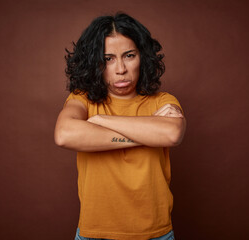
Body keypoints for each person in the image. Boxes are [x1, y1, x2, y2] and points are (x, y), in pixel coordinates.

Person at [54, 13, 186, 240]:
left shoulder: (163, 101)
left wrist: (102, 120)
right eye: (108, 58)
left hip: (155, 234)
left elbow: (172, 134)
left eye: (129, 55)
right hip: (95, 234)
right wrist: (149, 133)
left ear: (142, 57)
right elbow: (65, 134)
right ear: (94, 62)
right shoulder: (82, 100)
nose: (121, 69)